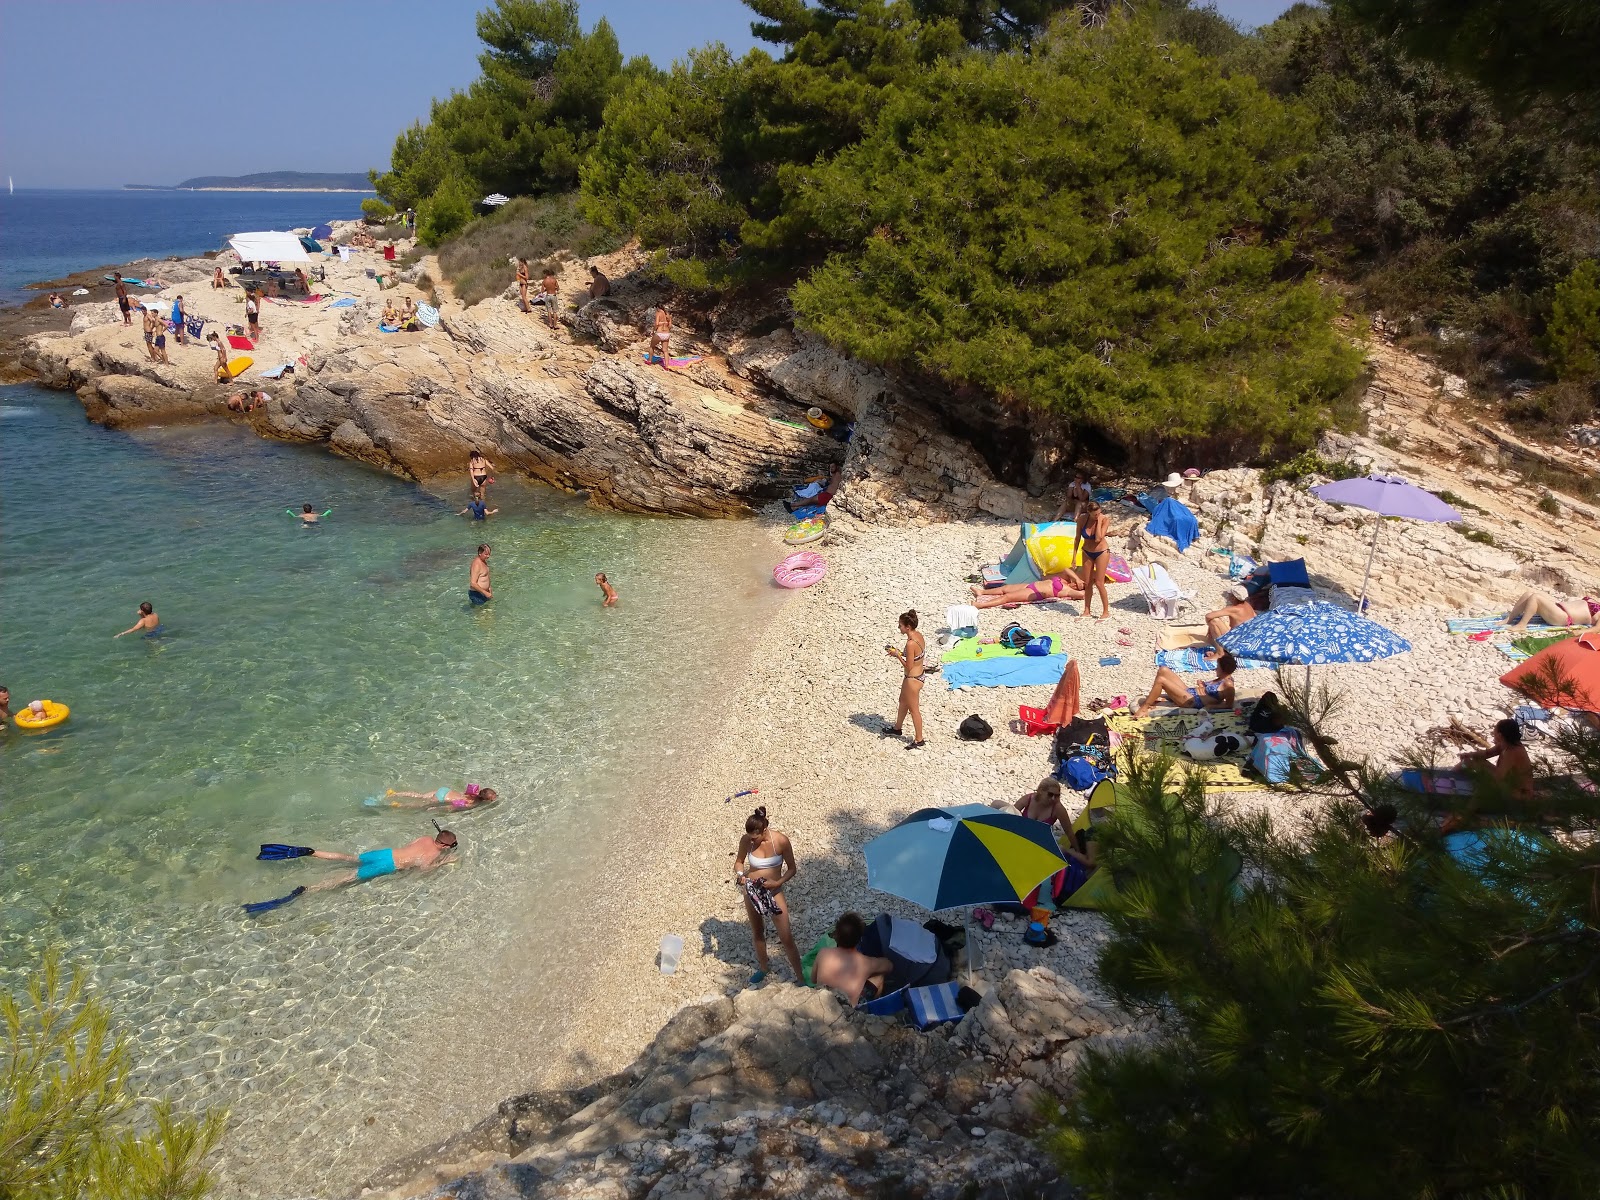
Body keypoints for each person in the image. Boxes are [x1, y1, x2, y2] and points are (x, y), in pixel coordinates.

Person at [262, 829, 459, 894]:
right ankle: (309, 889)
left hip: (385, 854)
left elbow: (410, 846)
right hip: (387, 865)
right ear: (445, 846)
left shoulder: (424, 838)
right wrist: (443, 862)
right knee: (348, 877)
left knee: (349, 859)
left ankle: (311, 852)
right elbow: (424, 869)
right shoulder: (433, 855)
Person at [734, 806, 803, 984]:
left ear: (764, 829)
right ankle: (764, 968)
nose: (752, 840)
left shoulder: (780, 841)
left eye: (755, 836)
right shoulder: (746, 840)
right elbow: (739, 862)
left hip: (773, 890)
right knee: (758, 931)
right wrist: (741, 875)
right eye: (749, 836)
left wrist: (778, 883)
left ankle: (800, 977)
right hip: (752, 889)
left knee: (786, 936)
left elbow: (792, 869)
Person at [812, 912, 894, 1005]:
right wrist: (868, 972)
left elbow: (813, 980)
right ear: (859, 938)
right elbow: (889, 965)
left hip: (822, 1002)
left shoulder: (823, 953)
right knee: (879, 976)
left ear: (836, 935)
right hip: (846, 1011)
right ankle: (872, 1010)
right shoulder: (865, 963)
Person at [1132, 652, 1237, 718]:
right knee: (1163, 670)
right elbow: (1210, 691)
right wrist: (1202, 685)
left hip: (1192, 702)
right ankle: (1153, 697)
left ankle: (1145, 707)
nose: (1216, 668)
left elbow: (1228, 705)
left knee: (1161, 680)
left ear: (1224, 669)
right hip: (1189, 692)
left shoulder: (1228, 685)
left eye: (1218, 667)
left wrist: (1211, 706)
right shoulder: (1221, 677)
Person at [1459, 718, 1535, 806]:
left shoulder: (1512, 753)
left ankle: (1466, 810)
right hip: (1508, 785)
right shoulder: (1506, 744)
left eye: (1495, 730)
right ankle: (1448, 777)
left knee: (1482, 785)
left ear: (1500, 735)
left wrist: (1480, 772)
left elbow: (1499, 778)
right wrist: (1469, 755)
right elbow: (1487, 753)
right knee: (1470, 762)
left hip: (1518, 795)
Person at [883, 609, 927, 749]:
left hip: (912, 678)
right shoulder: (918, 635)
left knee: (914, 710)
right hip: (919, 675)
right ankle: (897, 728)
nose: (899, 627)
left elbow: (909, 666)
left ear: (907, 627)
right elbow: (915, 657)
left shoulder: (910, 643)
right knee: (903, 701)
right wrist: (901, 653)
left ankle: (919, 739)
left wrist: (897, 655)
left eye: (900, 625)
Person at [1072, 500, 1112, 619]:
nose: (1097, 516)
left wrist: (1098, 521)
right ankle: (1086, 610)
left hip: (1102, 552)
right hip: (1087, 552)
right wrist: (1073, 557)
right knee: (1087, 582)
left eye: (1099, 513)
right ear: (1088, 512)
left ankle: (1106, 612)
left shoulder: (1104, 519)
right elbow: (1077, 538)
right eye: (1095, 514)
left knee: (1099, 582)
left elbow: (1098, 539)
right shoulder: (1082, 519)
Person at [968, 572, 1084, 608]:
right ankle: (982, 592)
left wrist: (1082, 588)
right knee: (1005, 588)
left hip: (1035, 593)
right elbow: (1066, 569)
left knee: (1007, 597)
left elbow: (1082, 595)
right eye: (1076, 584)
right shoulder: (1065, 580)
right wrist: (1077, 578)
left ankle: (980, 605)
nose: (1076, 585)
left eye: (1078, 586)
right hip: (1031, 585)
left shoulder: (1067, 590)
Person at [1505, 589, 1600, 632]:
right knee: (1529, 593)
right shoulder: (1596, 601)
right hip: (1558, 607)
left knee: (1535, 598)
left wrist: (1578, 632)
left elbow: (1597, 628)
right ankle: (1510, 618)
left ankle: (1522, 625)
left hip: (1563, 617)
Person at [374, 784, 499, 811]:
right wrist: (437, 809)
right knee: (422, 805)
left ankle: (393, 793)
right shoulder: (473, 803)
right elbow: (453, 805)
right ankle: (398, 805)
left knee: (420, 796)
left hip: (443, 790)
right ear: (485, 800)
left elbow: (461, 794)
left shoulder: (474, 791)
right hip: (441, 799)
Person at [650, 305, 673, 369]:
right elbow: (670, 326)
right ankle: (667, 366)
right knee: (665, 350)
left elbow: (656, 324)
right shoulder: (668, 315)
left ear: (658, 307)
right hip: (667, 334)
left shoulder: (658, 313)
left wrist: (653, 330)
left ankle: (649, 361)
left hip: (659, 333)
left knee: (652, 346)